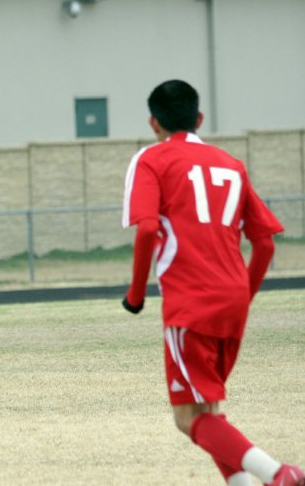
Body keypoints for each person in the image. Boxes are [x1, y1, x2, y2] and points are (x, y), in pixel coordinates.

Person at [121, 79, 302, 486]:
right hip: (233, 298)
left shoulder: (151, 160)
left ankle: (280, 474)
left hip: (191, 301)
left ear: (153, 122)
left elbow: (147, 229)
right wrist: (244, 296)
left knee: (187, 419)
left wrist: (135, 297)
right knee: (209, 411)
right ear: (200, 118)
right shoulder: (230, 163)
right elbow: (266, 244)